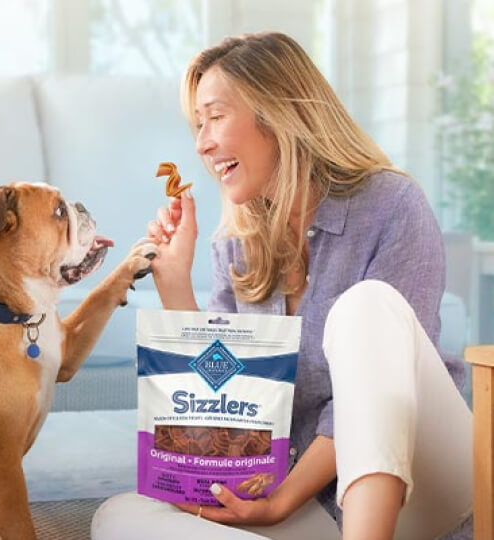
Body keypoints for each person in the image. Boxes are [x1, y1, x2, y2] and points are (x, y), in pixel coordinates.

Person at [91, 32, 473, 540]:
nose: (202, 143)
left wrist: (280, 502)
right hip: (320, 502)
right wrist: (174, 280)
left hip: (428, 485)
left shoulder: (392, 204)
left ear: (276, 113)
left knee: (364, 308)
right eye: (197, 124)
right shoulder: (238, 244)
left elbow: (373, 393)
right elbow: (220, 403)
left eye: (215, 116)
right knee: (122, 518)